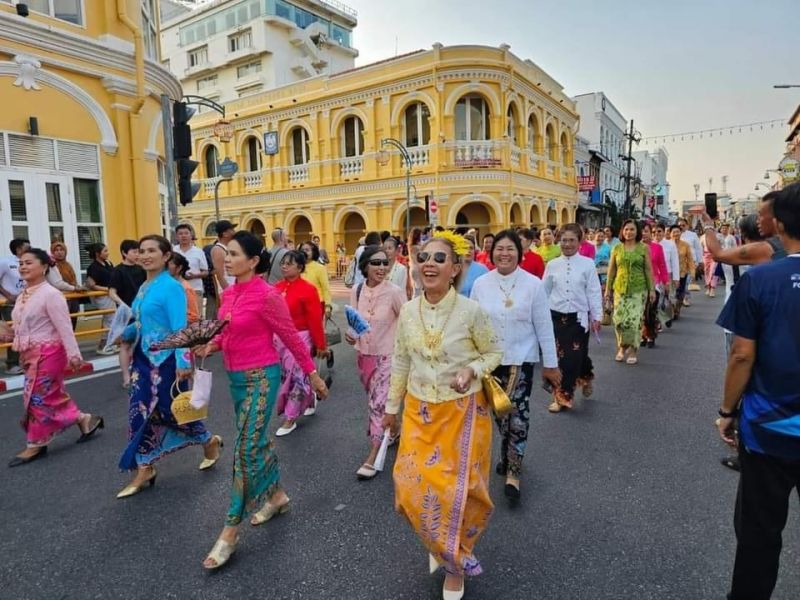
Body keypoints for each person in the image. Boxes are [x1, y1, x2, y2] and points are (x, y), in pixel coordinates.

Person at [195, 231, 329, 569]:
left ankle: (229, 530)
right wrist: (210, 345)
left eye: (236, 254)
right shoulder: (228, 295)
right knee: (256, 444)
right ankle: (277, 496)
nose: (228, 258)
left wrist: (313, 374)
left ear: (254, 261)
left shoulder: (268, 296)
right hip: (235, 380)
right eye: (229, 253)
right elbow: (226, 334)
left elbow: (291, 338)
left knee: (243, 449)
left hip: (261, 378)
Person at [384, 231, 501, 600]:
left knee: (458, 494)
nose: (429, 264)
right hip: (419, 411)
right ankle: (442, 544)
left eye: (439, 258)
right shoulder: (407, 310)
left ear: (454, 269)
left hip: (462, 411)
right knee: (408, 487)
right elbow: (401, 360)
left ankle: (454, 564)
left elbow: (494, 352)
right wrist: (391, 408)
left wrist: (473, 371)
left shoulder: (471, 312)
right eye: (424, 258)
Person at [715, 182, 800, 600]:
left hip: (769, 430)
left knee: (759, 534)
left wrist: (727, 410)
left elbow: (742, 356)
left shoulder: (762, 278)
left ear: (779, 224)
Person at [116, 235, 222, 499]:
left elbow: (179, 328)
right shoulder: (144, 287)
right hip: (143, 360)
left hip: (166, 362)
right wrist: (127, 333)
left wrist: (184, 362)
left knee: (172, 411)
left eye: (152, 250)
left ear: (166, 257)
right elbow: (145, 322)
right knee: (139, 412)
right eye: (142, 251)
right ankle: (145, 467)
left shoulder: (171, 287)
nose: (145, 255)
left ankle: (207, 439)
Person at [470, 230, 560, 501]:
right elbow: (471, 325)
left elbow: (544, 326)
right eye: (499, 249)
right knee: (501, 416)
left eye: (510, 249)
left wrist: (551, 365)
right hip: (489, 363)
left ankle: (514, 472)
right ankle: (506, 453)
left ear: (519, 253)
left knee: (518, 417)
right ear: (491, 252)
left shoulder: (533, 284)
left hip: (520, 360)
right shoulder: (481, 284)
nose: (504, 253)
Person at [3, 248, 104, 467]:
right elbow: (24, 326)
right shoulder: (23, 296)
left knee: (36, 397)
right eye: (21, 263)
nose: (23, 267)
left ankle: (36, 443)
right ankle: (83, 419)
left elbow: (64, 327)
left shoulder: (51, 294)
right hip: (29, 353)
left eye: (29, 263)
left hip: (49, 353)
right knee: (49, 395)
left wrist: (75, 355)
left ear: (44, 266)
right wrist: (10, 334)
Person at [347, 245, 405, 480]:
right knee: (375, 399)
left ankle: (374, 454)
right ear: (365, 266)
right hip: (364, 356)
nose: (382, 267)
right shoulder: (358, 290)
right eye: (376, 263)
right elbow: (353, 322)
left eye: (385, 263)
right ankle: (395, 429)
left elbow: (407, 319)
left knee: (377, 405)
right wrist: (351, 335)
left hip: (388, 355)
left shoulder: (394, 292)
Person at [542, 224, 602, 413]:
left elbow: (593, 290)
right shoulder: (552, 265)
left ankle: (573, 386)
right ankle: (561, 395)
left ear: (579, 242)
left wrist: (597, 315)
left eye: (571, 240)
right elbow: (544, 291)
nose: (567, 244)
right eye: (564, 240)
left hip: (578, 318)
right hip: (556, 317)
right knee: (560, 358)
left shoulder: (587, 264)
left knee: (574, 356)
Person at [274, 251, 328, 436]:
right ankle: (311, 398)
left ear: (299, 267)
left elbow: (314, 319)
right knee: (287, 376)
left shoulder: (308, 289)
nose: (284, 266)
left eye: (289, 263)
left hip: (300, 338)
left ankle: (290, 418)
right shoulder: (276, 287)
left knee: (296, 377)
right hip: (279, 340)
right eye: (283, 263)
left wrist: (320, 343)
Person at [605, 220, 655, 365]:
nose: (629, 232)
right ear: (622, 231)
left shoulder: (643, 248)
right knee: (619, 321)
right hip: (619, 289)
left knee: (634, 322)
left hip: (638, 290)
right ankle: (621, 347)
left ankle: (633, 350)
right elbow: (612, 270)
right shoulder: (617, 248)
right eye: (626, 229)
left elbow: (648, 269)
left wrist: (651, 289)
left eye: (632, 229)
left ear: (637, 232)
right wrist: (608, 289)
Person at [702, 192, 786, 267]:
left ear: (775, 218)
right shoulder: (790, 244)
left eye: (761, 215)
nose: (758, 220)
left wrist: (708, 225)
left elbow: (718, 255)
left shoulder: (766, 249)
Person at [108, 240, 147, 389]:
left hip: (143, 312)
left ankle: (140, 372)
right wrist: (123, 305)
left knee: (142, 343)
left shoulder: (142, 269)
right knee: (125, 344)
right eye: (134, 251)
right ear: (124, 253)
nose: (137, 254)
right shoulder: (118, 271)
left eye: (139, 251)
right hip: (127, 315)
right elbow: (111, 291)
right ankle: (126, 376)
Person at [0, 238, 30, 374]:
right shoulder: (5, 262)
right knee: (13, 332)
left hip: (25, 301)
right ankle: (11, 364)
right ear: (18, 249)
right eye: (26, 247)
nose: (30, 249)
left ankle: (23, 360)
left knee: (24, 332)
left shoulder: (27, 263)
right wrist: (8, 295)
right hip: (9, 304)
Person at [641, 223, 670, 347]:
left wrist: (666, 281)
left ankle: (650, 336)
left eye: (646, 231)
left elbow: (662, 266)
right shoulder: (633, 248)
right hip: (637, 284)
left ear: (650, 233)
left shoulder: (657, 248)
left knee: (649, 312)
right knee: (640, 312)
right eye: (641, 231)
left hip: (654, 283)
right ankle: (642, 334)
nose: (643, 234)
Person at [85, 242, 117, 356]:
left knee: (111, 318)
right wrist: (107, 289)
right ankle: (103, 344)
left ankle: (109, 343)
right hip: (102, 296)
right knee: (109, 319)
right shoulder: (93, 267)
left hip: (110, 294)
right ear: (98, 254)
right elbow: (91, 284)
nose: (108, 253)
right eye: (105, 251)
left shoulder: (108, 263)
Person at [173, 223, 208, 314]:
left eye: (186, 233)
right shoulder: (173, 251)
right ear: (176, 236)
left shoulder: (198, 251)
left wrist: (194, 276)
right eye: (180, 234)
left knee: (195, 317)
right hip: (176, 289)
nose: (183, 236)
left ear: (191, 235)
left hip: (195, 289)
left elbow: (206, 272)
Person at [50, 242, 81, 330]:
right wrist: (74, 288)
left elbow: (73, 279)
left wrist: (78, 287)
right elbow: (57, 283)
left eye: (61, 250)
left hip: (73, 297)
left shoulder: (68, 265)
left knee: (73, 322)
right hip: (62, 298)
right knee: (63, 325)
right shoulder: (52, 266)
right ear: (52, 252)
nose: (59, 252)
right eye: (56, 250)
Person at [209, 221, 237, 317]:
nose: (234, 232)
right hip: (227, 289)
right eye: (231, 230)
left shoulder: (227, 248)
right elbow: (219, 274)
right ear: (224, 233)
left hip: (233, 287)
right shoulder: (218, 250)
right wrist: (227, 291)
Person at [299, 241, 332, 317]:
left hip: (317, 303)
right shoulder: (297, 267)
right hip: (300, 304)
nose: (304, 252)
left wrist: (328, 306)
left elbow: (325, 288)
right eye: (302, 250)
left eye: (307, 250)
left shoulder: (320, 268)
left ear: (313, 252)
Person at [669, 225, 695, 319]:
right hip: (670, 273)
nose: (676, 234)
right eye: (674, 232)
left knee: (680, 292)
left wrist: (692, 272)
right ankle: (671, 310)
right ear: (670, 233)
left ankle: (677, 309)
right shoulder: (667, 244)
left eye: (678, 231)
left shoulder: (685, 245)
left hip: (682, 273)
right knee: (670, 293)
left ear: (680, 233)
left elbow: (690, 259)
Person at [167, 253, 200, 324]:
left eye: (169, 264)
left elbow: (193, 316)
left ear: (179, 268)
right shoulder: (165, 285)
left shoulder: (186, 288)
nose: (165, 267)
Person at [678, 217, 703, 295]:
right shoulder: (675, 235)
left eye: (683, 225)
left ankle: (686, 297)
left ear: (687, 225)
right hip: (679, 262)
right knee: (680, 280)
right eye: (680, 226)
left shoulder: (693, 235)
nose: (681, 227)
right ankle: (681, 296)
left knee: (688, 280)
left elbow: (698, 248)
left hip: (692, 261)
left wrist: (700, 261)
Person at [700, 227, 721, 297]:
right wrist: (700, 259)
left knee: (713, 271)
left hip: (715, 255)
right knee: (706, 271)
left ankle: (713, 288)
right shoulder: (702, 237)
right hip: (705, 255)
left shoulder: (717, 236)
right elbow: (700, 247)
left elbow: (722, 245)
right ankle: (708, 287)